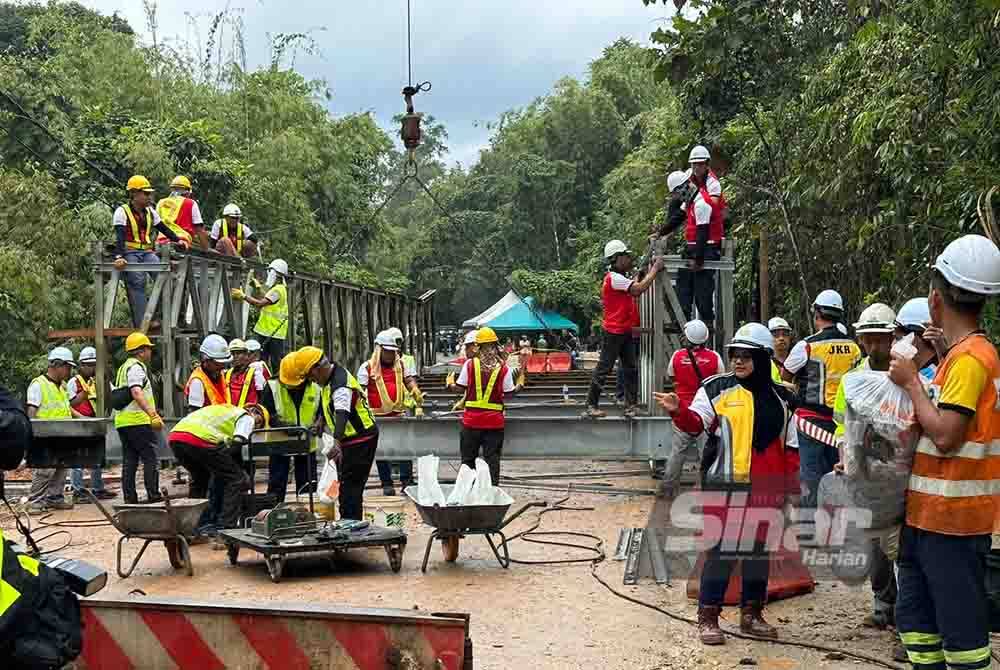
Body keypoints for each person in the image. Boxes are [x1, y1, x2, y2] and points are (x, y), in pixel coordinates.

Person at [887, 235, 1000, 670]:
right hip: (930, 517)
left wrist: (912, 382)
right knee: (918, 624)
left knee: (961, 634)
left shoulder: (972, 359)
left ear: (935, 299)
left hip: (953, 521)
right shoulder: (960, 356)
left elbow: (947, 435)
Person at [655, 323, 798, 646]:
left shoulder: (784, 397)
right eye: (734, 354)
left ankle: (752, 614)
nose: (738, 361)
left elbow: (791, 447)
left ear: (762, 358)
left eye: (746, 355)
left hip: (766, 488)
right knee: (722, 552)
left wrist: (789, 488)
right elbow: (696, 424)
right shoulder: (715, 389)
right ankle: (708, 617)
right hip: (725, 486)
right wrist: (679, 412)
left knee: (758, 553)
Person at [831, 303, 902, 655]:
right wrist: (845, 455)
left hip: (900, 470)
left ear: (893, 337)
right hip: (867, 472)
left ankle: (907, 615)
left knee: (902, 545)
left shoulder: (905, 374)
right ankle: (882, 603)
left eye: (880, 338)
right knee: (876, 542)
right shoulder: (853, 379)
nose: (874, 346)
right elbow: (841, 423)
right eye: (868, 339)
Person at [781, 289, 861, 511]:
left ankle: (810, 521)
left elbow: (785, 376)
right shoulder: (854, 347)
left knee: (811, 475)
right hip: (841, 423)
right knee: (835, 471)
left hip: (810, 421)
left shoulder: (807, 346)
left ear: (816, 313)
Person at [584, 240, 663, 418]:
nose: (629, 259)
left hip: (624, 330)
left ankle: (631, 406)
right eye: (625, 256)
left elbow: (632, 284)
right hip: (614, 331)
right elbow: (638, 289)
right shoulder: (614, 278)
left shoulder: (619, 278)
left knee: (630, 368)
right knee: (604, 368)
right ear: (616, 258)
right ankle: (591, 405)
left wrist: (640, 276)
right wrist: (654, 269)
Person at [303, 347, 379, 521]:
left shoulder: (340, 385)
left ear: (318, 368)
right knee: (345, 484)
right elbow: (327, 401)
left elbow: (342, 413)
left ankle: (351, 524)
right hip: (350, 439)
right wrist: (321, 420)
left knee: (351, 486)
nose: (312, 381)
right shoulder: (328, 378)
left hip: (361, 439)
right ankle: (349, 521)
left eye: (312, 377)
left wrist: (336, 442)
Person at [169, 404, 268, 532]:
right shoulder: (247, 417)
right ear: (255, 412)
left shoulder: (225, 410)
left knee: (200, 479)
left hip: (176, 438)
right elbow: (236, 444)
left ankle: (194, 524)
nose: (254, 428)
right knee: (237, 479)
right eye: (259, 423)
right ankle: (226, 526)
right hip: (200, 439)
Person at [659, 320, 725, 492]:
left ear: (686, 337)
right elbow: (721, 382)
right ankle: (709, 488)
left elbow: (672, 377)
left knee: (677, 452)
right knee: (706, 453)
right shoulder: (715, 357)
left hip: (682, 412)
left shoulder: (677, 356)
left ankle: (668, 488)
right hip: (706, 414)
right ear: (706, 337)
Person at [455, 328, 522, 485]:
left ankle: (467, 491)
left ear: (478, 346)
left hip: (471, 422)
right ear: (495, 345)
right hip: (494, 423)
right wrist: (520, 384)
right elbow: (509, 393)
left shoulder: (469, 364)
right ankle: (491, 491)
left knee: (468, 461)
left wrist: (449, 384)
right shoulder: (503, 368)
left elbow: (460, 387)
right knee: (492, 459)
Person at [112, 175, 182, 327]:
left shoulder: (150, 212)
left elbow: (163, 228)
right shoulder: (121, 212)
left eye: (149, 193)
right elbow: (120, 237)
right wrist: (119, 257)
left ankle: (155, 315)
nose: (149, 197)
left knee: (164, 278)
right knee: (138, 281)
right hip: (130, 252)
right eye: (146, 193)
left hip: (147, 253)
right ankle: (143, 322)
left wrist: (178, 239)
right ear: (134, 194)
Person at [358, 332, 420, 495]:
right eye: (388, 351)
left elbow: (408, 380)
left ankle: (407, 481)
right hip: (378, 418)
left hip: (398, 416)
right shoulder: (366, 368)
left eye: (393, 351)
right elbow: (360, 391)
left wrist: (414, 389)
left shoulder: (401, 365)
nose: (391, 355)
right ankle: (386, 483)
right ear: (379, 349)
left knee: (404, 449)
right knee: (381, 451)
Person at [260, 350, 323, 503]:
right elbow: (266, 413)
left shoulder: (315, 387)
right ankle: (274, 511)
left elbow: (322, 411)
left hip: (306, 442)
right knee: (277, 482)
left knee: (307, 484)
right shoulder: (272, 387)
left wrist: (319, 423)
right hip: (280, 442)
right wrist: (285, 427)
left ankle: (306, 512)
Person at [25, 347, 80, 514]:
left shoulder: (62, 386)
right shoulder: (38, 384)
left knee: (61, 467)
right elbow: (32, 411)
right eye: (67, 367)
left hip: (63, 435)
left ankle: (54, 498)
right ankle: (35, 501)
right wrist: (32, 435)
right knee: (45, 470)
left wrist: (83, 420)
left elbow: (67, 408)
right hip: (45, 436)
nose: (69, 371)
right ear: (57, 365)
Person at [676, 146, 726, 324]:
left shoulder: (713, 183)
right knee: (684, 286)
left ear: (706, 164)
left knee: (703, 293)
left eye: (700, 164)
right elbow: (682, 210)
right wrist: (663, 231)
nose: (696, 168)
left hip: (709, 242)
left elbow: (711, 206)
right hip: (693, 242)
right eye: (694, 164)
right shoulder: (689, 181)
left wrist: (697, 198)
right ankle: (682, 325)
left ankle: (708, 326)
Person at [114, 332, 163, 504]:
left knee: (130, 461)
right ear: (141, 351)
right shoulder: (136, 368)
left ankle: (130, 498)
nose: (150, 351)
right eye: (148, 348)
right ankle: (153, 496)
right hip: (137, 422)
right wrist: (153, 414)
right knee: (150, 458)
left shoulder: (124, 367)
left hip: (124, 422)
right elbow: (136, 392)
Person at [67, 346, 115, 501]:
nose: (92, 368)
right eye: (88, 365)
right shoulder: (74, 382)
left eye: (94, 364)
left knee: (97, 457)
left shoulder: (98, 381)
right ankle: (78, 491)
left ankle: (98, 489)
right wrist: (81, 415)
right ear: (81, 365)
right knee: (78, 460)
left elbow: (113, 396)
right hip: (79, 425)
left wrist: (105, 381)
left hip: (95, 424)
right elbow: (68, 404)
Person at [233, 258, 289, 372]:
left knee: (274, 362)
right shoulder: (278, 289)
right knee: (263, 359)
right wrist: (258, 288)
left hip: (273, 332)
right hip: (267, 331)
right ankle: (263, 379)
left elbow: (260, 303)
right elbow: (267, 297)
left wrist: (243, 296)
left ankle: (274, 380)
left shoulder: (278, 290)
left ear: (275, 274)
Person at [155, 175, 208, 250]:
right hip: (181, 243)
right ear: (187, 192)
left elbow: (156, 226)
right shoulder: (190, 203)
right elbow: (199, 230)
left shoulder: (161, 203)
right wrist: (206, 250)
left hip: (161, 242)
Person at [893, 297, 939, 382]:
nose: (893, 344)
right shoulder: (942, 370)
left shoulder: (926, 381)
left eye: (897, 338)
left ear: (913, 340)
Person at [184, 334, 232, 412]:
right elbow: (195, 414)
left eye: (223, 364)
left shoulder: (219, 374)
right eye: (217, 364)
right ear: (205, 360)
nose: (221, 367)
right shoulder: (197, 381)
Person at [225, 339, 266, 408]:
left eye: (238, 353)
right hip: (229, 412)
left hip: (249, 413)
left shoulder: (256, 374)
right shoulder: (226, 374)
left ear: (246, 354)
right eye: (232, 353)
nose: (235, 356)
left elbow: (263, 399)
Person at [768, 317, 793, 383]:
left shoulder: (797, 360)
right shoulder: (764, 364)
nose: (781, 338)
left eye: (785, 334)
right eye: (776, 335)